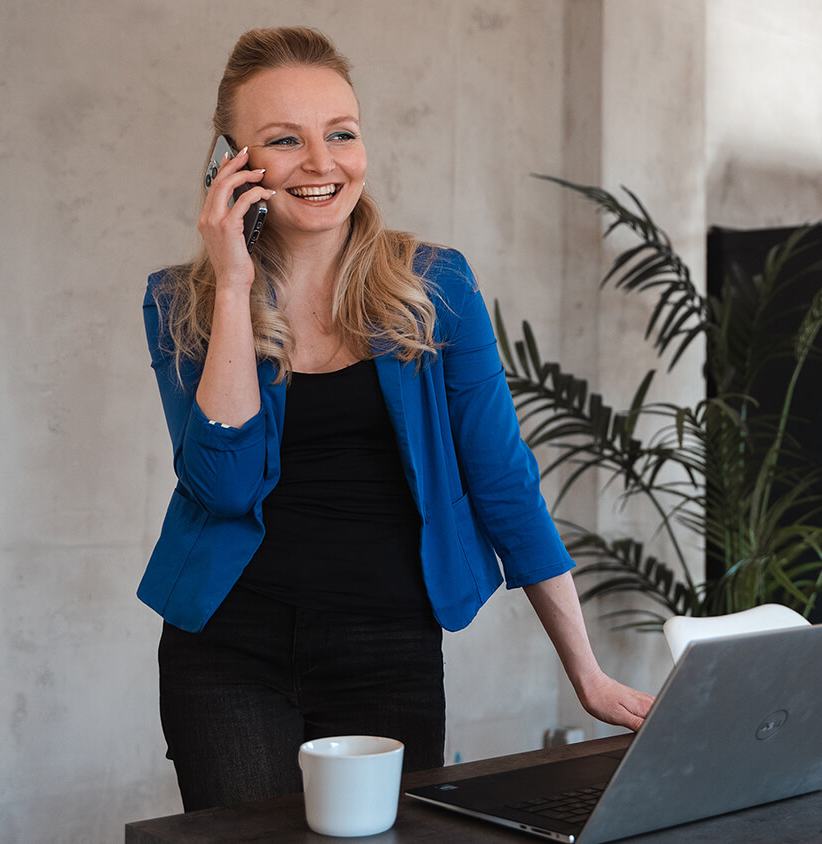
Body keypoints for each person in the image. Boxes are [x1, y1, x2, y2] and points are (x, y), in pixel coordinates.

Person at [139, 25, 653, 812]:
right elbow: (225, 486)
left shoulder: (433, 284)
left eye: (340, 133)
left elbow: (502, 480)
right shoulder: (184, 302)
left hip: (388, 643)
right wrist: (234, 287)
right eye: (285, 140)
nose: (322, 163)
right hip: (227, 650)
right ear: (230, 163)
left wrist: (584, 671)